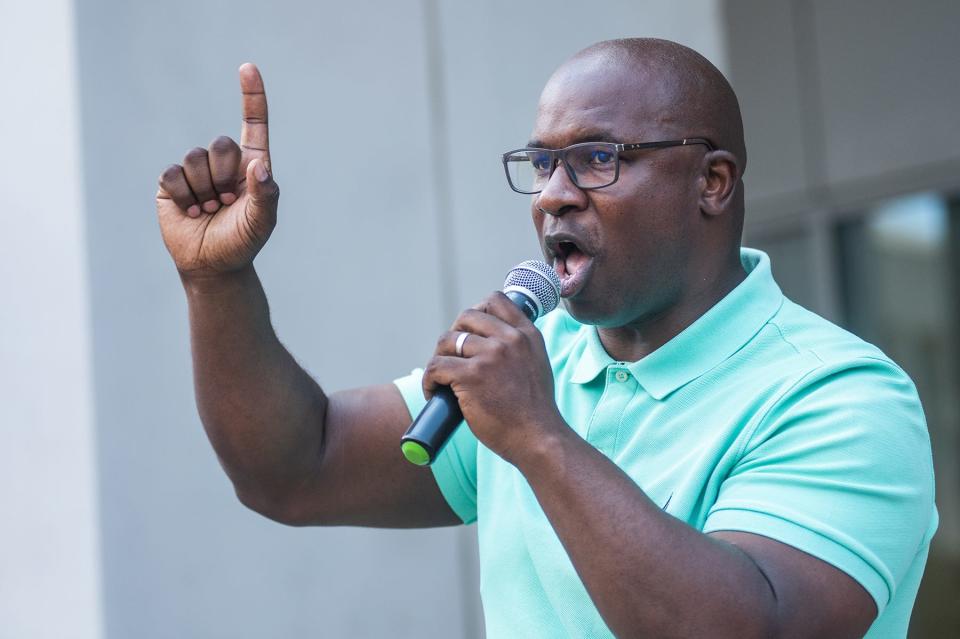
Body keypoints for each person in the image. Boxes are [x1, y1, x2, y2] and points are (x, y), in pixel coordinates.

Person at [156, 38, 936, 638]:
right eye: (541, 163)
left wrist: (539, 436)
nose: (554, 195)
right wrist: (216, 281)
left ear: (713, 182)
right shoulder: (543, 360)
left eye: (597, 159)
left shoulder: (840, 397)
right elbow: (298, 466)